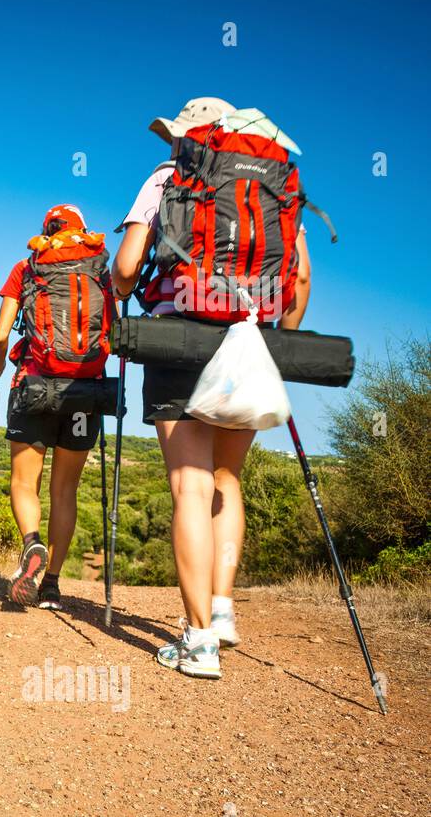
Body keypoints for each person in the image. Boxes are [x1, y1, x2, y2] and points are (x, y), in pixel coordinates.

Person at [112, 97, 313, 678]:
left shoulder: (169, 176)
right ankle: (221, 611)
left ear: (188, 134)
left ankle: (197, 643)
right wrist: (273, 338)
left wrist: (128, 293)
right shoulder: (275, 184)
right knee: (228, 479)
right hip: (250, 339)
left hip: (180, 338)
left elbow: (126, 268)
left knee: (190, 486)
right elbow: (297, 278)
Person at [0, 204, 113, 610]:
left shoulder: (27, 268)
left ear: (47, 230)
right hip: (85, 393)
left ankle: (31, 543)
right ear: (81, 229)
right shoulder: (99, 269)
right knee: (66, 490)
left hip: (34, 387)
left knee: (25, 483)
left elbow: (0, 333)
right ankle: (53, 585)